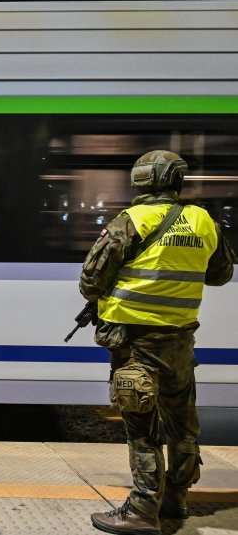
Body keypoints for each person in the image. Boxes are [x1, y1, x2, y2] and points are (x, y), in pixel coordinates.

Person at [80, 150, 234, 535]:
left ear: (141, 181)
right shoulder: (202, 220)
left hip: (135, 345)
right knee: (182, 427)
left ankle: (141, 511)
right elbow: (220, 274)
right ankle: (176, 500)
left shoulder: (129, 222)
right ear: (176, 181)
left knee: (142, 428)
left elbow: (90, 282)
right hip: (180, 342)